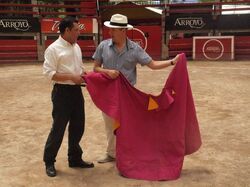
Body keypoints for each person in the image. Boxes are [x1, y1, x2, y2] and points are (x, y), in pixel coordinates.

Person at [92, 14, 180, 164]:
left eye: (113, 30)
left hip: (128, 95)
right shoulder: (103, 46)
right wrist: (107, 71)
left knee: (128, 125)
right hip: (109, 93)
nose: (110, 32)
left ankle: (128, 153)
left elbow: (152, 65)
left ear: (123, 30)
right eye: (110, 29)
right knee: (109, 125)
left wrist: (172, 62)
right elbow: (95, 68)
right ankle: (112, 154)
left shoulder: (135, 49)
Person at [43, 16, 94, 177]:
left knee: (78, 126)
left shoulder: (76, 47)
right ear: (67, 30)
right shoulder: (53, 49)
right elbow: (49, 74)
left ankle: (74, 158)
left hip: (76, 92)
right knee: (58, 128)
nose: (79, 32)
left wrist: (82, 73)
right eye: (76, 30)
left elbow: (77, 67)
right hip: (61, 93)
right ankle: (49, 161)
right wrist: (71, 77)